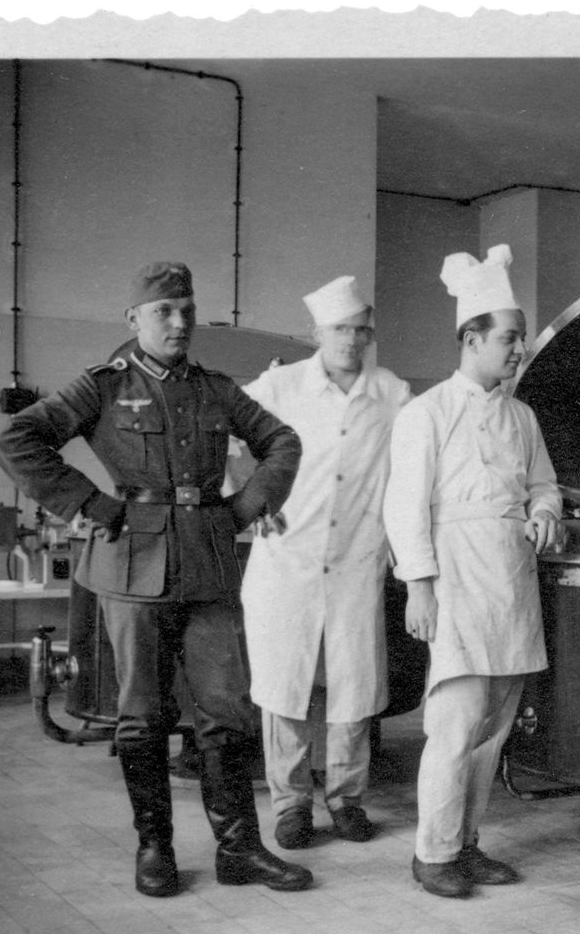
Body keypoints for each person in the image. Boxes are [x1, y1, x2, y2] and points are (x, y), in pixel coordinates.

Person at [0, 261, 314, 897]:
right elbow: (18, 441)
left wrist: (246, 507)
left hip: (209, 566)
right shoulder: (103, 386)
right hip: (131, 568)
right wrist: (89, 503)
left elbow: (283, 441)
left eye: (187, 309)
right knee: (141, 714)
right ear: (134, 320)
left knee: (226, 710)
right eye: (164, 311)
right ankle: (155, 848)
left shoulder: (218, 389)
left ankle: (240, 849)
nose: (179, 322)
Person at [382, 244, 563, 900]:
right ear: (472, 338)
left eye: (519, 338)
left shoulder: (523, 416)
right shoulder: (425, 414)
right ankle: (432, 852)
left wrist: (545, 511)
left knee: (494, 727)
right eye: (509, 339)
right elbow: (403, 506)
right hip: (455, 578)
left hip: (511, 580)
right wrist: (420, 586)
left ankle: (466, 842)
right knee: (456, 723)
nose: (518, 350)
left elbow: (545, 486)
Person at [237, 276, 413, 850]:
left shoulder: (391, 393)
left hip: (357, 559)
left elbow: (414, 464)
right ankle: (290, 806)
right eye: (341, 329)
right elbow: (222, 433)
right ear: (318, 333)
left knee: (353, 688)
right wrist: (249, 500)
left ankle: (347, 799)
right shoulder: (280, 386)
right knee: (284, 687)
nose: (352, 340)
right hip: (287, 559)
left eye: (362, 330)